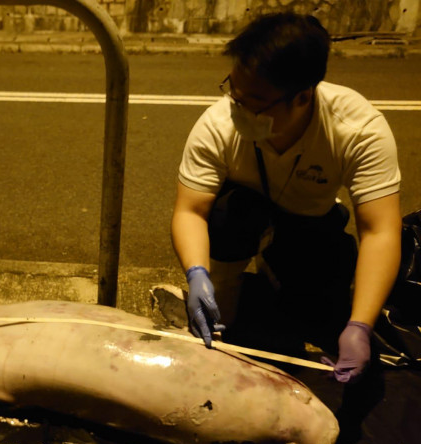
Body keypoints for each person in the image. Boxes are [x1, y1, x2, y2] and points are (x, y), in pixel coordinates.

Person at [171, 12, 401, 383]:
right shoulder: (218, 124)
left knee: (322, 308)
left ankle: (281, 280)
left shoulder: (358, 130)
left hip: (307, 220)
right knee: (227, 216)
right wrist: (197, 273)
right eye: (234, 91)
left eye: (256, 101)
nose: (238, 107)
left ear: (303, 96)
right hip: (240, 216)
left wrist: (360, 324)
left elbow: (380, 231)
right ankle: (220, 305)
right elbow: (191, 211)